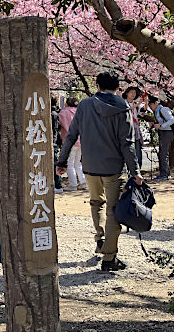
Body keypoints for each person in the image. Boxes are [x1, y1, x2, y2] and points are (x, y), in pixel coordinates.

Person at [57, 72, 143, 272]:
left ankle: (100, 238)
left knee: (96, 202)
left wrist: (62, 160)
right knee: (113, 210)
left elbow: (71, 136)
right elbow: (127, 144)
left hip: (90, 166)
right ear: (118, 87)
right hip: (113, 168)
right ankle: (109, 258)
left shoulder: (85, 105)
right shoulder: (123, 107)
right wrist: (135, 171)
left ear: (97, 85)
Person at [59, 97, 87, 191]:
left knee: (70, 163)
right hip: (82, 140)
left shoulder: (63, 113)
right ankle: (83, 182)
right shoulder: (81, 112)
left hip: (70, 141)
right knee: (78, 163)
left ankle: (73, 184)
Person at [148, 95, 174, 180]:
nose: (150, 107)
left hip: (167, 132)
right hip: (163, 132)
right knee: (162, 153)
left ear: (156, 103)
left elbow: (172, 120)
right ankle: (164, 173)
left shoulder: (163, 109)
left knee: (164, 153)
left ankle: (165, 174)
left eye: (151, 105)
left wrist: (161, 126)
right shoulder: (157, 111)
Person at [123, 87, 147, 167]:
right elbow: (127, 109)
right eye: (131, 92)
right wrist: (138, 104)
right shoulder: (123, 103)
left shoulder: (136, 104)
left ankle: (138, 169)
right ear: (127, 93)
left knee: (137, 151)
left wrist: (146, 102)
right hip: (126, 130)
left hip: (135, 130)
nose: (133, 94)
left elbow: (142, 111)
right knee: (128, 151)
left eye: (134, 93)